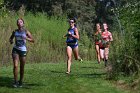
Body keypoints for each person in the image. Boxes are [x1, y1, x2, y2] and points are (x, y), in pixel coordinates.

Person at [9, 18, 34, 87]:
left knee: (22, 66)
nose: (19, 23)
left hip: (23, 50)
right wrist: (11, 41)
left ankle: (21, 81)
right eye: (18, 22)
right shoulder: (15, 31)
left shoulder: (26, 31)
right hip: (15, 49)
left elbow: (33, 40)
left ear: (23, 23)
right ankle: (15, 81)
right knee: (15, 65)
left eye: (20, 22)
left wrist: (26, 38)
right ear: (17, 24)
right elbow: (11, 38)